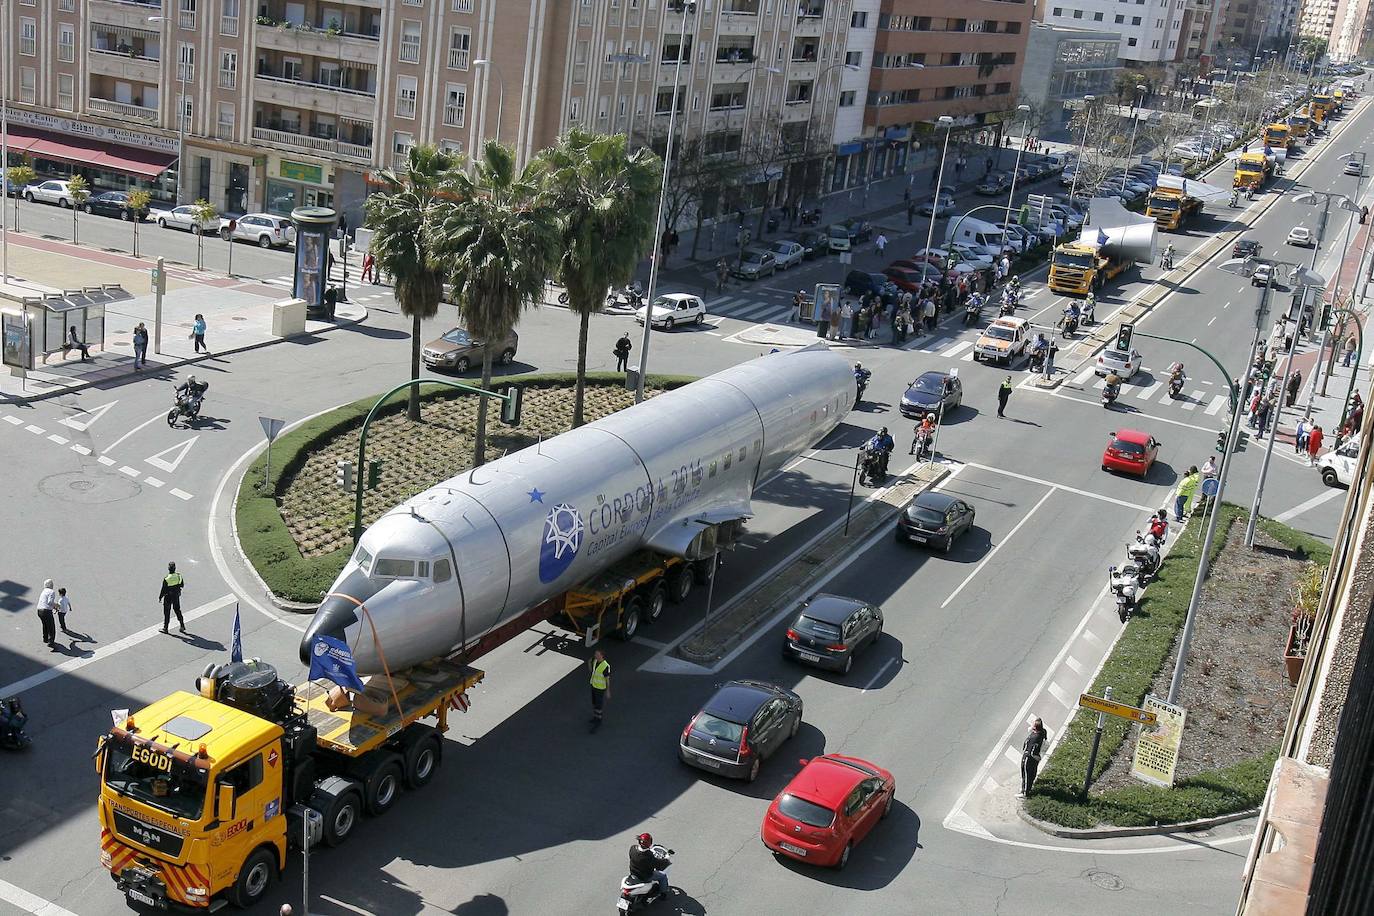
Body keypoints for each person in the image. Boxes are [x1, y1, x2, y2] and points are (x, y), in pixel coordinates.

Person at [629, 833, 671, 898]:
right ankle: (663, 893)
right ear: (649, 843)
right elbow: (657, 865)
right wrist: (666, 860)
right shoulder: (648, 856)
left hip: (634, 873)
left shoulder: (633, 848)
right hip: (645, 876)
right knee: (662, 876)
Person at [1020, 718, 1047, 797]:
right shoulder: (1043, 732)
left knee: (1026, 775)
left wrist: (1029, 755)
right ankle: (1028, 788)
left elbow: (1031, 751)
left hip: (1028, 758)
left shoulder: (1034, 738)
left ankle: (1024, 792)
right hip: (1035, 758)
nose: (1031, 725)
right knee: (1032, 774)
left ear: (1035, 728)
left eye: (1032, 724)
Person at [159, 562, 185, 634]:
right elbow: (182, 585)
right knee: (177, 610)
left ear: (168, 569)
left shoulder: (167, 578)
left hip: (168, 597)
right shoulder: (179, 576)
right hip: (176, 596)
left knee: (167, 612)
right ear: (175, 568)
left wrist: (160, 597)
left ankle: (165, 628)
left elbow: (163, 589)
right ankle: (182, 625)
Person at [588, 648, 611, 731]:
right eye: (595, 654)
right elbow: (592, 671)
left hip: (600, 688)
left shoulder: (605, 666)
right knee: (594, 703)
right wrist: (589, 664)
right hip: (594, 685)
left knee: (598, 705)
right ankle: (595, 717)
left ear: (602, 656)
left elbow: (607, 679)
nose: (595, 655)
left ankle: (598, 720)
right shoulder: (595, 661)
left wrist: (608, 691)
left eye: (597, 654)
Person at [36, 578, 57, 645]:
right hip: (46, 611)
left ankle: (45, 638)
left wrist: (53, 606)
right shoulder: (51, 591)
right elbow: (50, 602)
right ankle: (51, 642)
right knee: (51, 627)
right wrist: (56, 605)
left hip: (39, 610)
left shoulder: (43, 591)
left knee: (45, 625)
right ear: (51, 585)